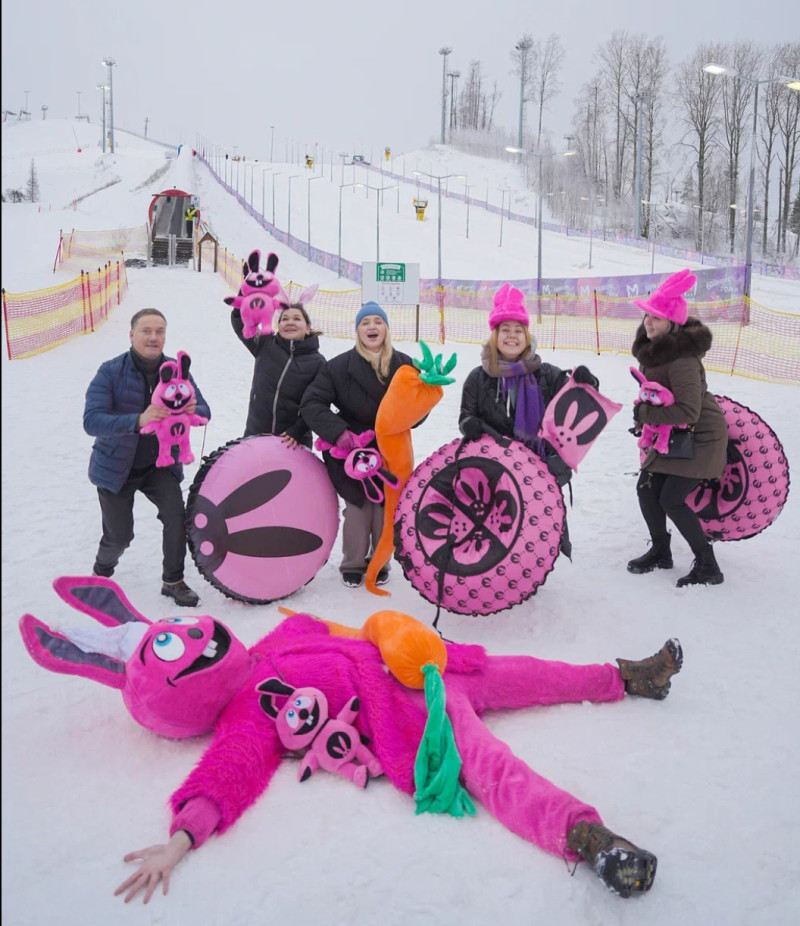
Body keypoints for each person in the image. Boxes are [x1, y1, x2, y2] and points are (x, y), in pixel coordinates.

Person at [104, 602, 683, 904]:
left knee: (535, 673)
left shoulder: (270, 646)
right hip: (419, 714)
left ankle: (630, 677)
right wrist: (181, 839)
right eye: (182, 648)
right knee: (493, 770)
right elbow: (228, 773)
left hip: (435, 664)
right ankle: (590, 838)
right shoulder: (244, 718)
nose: (199, 633)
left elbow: (321, 625)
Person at [458, 283, 599, 554]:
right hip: (494, 467)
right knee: (498, 527)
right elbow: (466, 416)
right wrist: (470, 425)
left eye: (518, 330)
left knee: (534, 528)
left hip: (538, 467)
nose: (512, 336)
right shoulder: (478, 377)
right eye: (505, 330)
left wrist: (587, 381)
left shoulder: (546, 374)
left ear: (527, 335)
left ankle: (530, 568)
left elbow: (578, 401)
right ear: (495, 335)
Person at [83, 308, 211, 606]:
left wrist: (195, 412)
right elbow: (92, 420)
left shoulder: (178, 370)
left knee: (177, 517)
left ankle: (173, 580)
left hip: (161, 464)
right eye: (146, 331)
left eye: (160, 331)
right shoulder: (110, 371)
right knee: (120, 537)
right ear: (132, 335)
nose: (154, 337)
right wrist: (137, 421)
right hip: (116, 466)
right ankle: (102, 572)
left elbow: (204, 410)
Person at [300, 302, 417, 588]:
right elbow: (312, 403)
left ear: (386, 328)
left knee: (384, 504)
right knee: (357, 503)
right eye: (366, 323)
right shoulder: (338, 366)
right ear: (358, 330)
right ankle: (352, 563)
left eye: (378, 321)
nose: (372, 327)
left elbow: (417, 405)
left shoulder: (404, 365)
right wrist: (339, 433)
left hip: (390, 445)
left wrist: (405, 420)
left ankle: (380, 561)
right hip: (351, 447)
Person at [627, 269, 728, 587]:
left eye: (655, 318)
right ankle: (660, 551)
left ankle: (708, 566)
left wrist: (644, 413)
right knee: (646, 489)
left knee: (671, 498)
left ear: (673, 322)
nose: (648, 323)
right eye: (647, 316)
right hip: (674, 435)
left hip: (700, 437)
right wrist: (644, 413)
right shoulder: (654, 352)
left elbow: (688, 409)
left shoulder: (683, 359)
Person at [230, 292, 325, 447]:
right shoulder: (265, 345)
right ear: (278, 326)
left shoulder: (318, 363)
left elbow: (318, 404)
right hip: (256, 435)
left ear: (308, 328)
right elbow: (241, 323)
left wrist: (298, 430)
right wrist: (243, 300)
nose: (290, 322)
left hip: (293, 442)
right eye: (284, 319)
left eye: (297, 318)